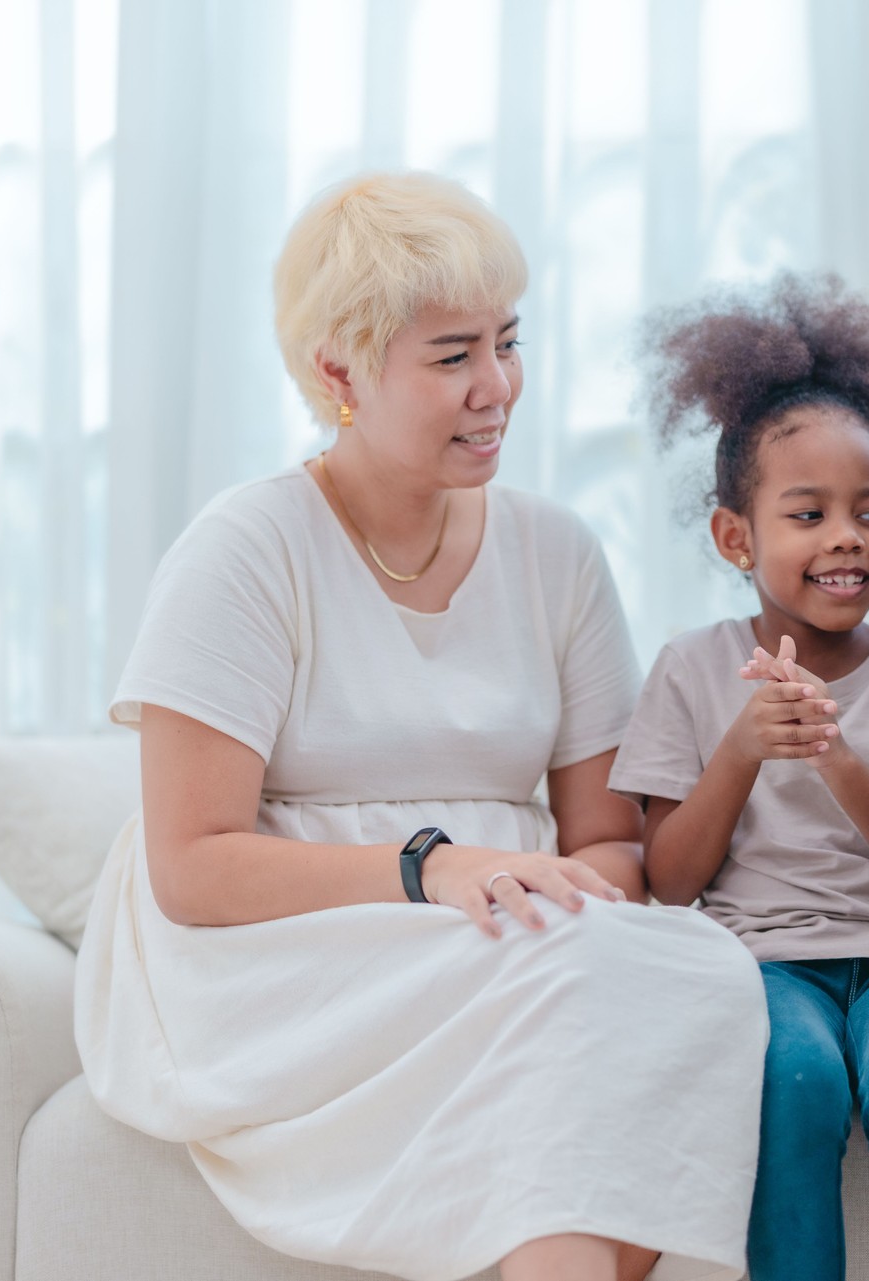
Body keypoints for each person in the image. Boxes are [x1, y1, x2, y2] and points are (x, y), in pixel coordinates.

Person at [73, 172, 767, 1281]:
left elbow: (607, 843)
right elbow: (191, 868)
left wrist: (575, 901)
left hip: (495, 939)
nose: (498, 386)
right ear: (337, 372)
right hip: (273, 958)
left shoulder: (557, 554)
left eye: (508, 340)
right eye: (452, 357)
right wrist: (431, 868)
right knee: (583, 989)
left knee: (707, 977)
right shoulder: (245, 549)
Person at [608, 276, 869, 1281]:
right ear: (738, 538)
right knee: (795, 1077)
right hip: (758, 968)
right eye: (808, 513)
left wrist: (839, 758)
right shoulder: (692, 670)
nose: (845, 540)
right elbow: (671, 879)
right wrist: (741, 748)